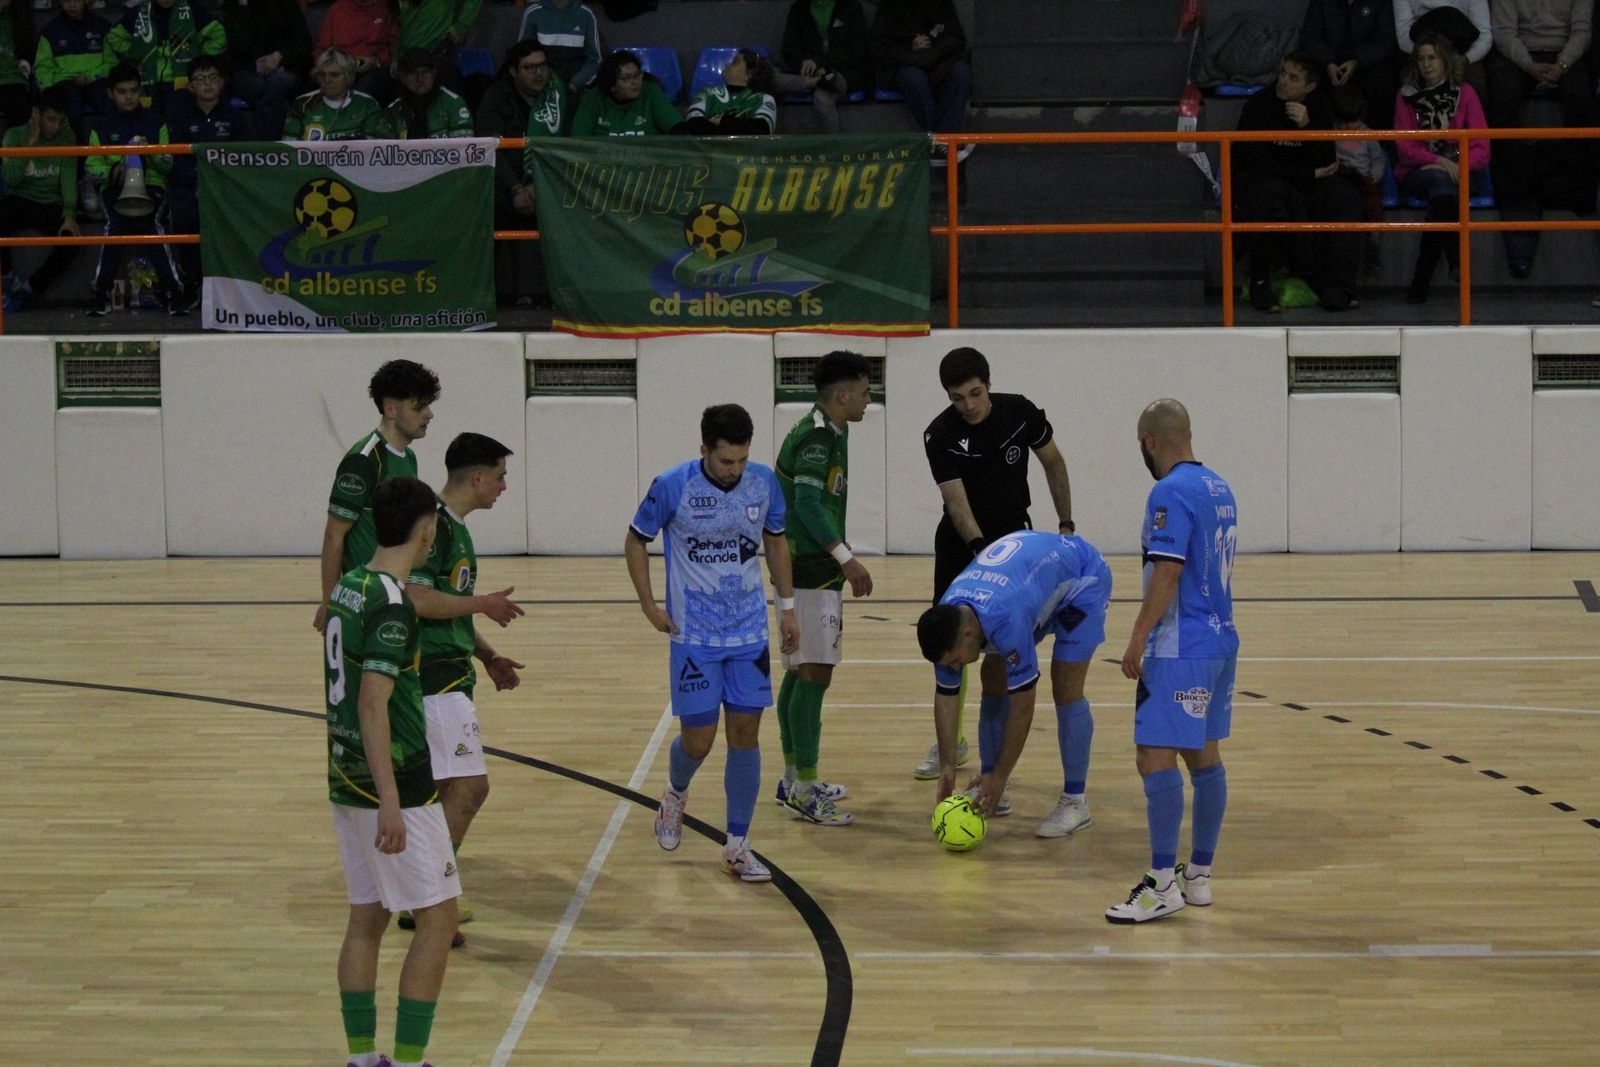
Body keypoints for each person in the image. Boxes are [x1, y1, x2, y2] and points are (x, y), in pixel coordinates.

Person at [912, 348, 1085, 835]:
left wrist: (1066, 524)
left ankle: (993, 774)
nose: (968, 405)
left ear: (988, 384)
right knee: (949, 645)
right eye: (957, 397)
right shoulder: (940, 434)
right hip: (963, 547)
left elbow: (1053, 463)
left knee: (996, 661)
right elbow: (956, 502)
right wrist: (980, 554)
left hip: (1016, 543)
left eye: (975, 393)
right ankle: (951, 751)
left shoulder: (1020, 412)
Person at [625, 404, 800, 883]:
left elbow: (777, 541)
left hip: (748, 635)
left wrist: (787, 608)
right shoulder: (672, 485)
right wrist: (648, 604)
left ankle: (737, 846)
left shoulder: (763, 484)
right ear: (704, 450)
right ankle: (675, 793)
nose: (735, 471)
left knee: (745, 736)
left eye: (742, 460)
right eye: (726, 462)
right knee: (699, 742)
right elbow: (635, 540)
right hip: (694, 638)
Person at [323, 475, 459, 1067]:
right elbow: (372, 700)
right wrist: (390, 800)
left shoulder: (346, 588)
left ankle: (361, 1058)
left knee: (367, 916)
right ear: (426, 530)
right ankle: (407, 1061)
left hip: (343, 773)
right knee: (437, 918)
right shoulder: (392, 601)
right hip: (395, 781)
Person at [1108, 398, 1238, 925]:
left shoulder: (1168, 491)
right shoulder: (1219, 487)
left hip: (1179, 646)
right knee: (1204, 758)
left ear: (1149, 442)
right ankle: (1198, 877)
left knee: (1153, 755)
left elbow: (1168, 571)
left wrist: (1137, 638)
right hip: (1219, 642)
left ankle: (1161, 884)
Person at [398, 432, 525, 946]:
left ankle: (424, 899)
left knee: (447, 790)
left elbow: (446, 603)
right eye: (499, 475)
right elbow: (417, 597)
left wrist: (489, 655)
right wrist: (482, 605)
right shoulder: (434, 528)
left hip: (452, 673)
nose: (503, 486)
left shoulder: (455, 529)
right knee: (469, 788)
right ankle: (429, 901)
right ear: (476, 478)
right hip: (432, 677)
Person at [915, 529, 1112, 837]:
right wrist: (948, 766)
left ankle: (1075, 802)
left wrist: (1002, 775)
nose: (954, 668)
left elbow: (1023, 705)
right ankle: (992, 789)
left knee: (1065, 687)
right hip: (1030, 583)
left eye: (954, 660)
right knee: (992, 676)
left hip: (1082, 580)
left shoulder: (1005, 618)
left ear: (968, 635)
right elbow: (946, 694)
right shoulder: (949, 615)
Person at [773, 350, 874, 826]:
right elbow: (809, 506)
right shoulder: (817, 437)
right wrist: (846, 558)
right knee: (814, 672)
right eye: (864, 390)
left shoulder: (832, 428)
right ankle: (806, 790)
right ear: (842, 393)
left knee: (799, 671)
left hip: (806, 565)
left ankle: (793, 777)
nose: (868, 399)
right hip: (811, 567)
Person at [314, 358, 442, 635]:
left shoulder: (408, 457)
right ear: (391, 409)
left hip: (392, 594)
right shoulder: (364, 460)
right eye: (419, 406)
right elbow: (334, 534)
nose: (429, 414)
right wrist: (330, 601)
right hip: (365, 599)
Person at [1234, 51, 1365, 313]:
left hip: (1305, 182)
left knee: (1344, 197)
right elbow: (1255, 162)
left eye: (1293, 78)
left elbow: (1326, 161)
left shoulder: (1318, 107)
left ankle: (1337, 288)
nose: (1283, 81)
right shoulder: (1258, 106)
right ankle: (1261, 283)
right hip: (1266, 181)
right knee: (1269, 196)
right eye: (1283, 73)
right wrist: (1307, 175)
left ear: (1310, 86)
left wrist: (1307, 129)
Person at [1486, 0, 1593, 278]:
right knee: (1501, 96)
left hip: (1565, 54)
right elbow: (1505, 32)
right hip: (1520, 54)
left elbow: (1582, 30)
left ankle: (1573, 183)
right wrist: (1530, 66)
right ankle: (1512, 181)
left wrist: (1563, 64)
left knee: (1583, 99)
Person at [1394, 31, 1489, 303]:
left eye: (1432, 58)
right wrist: (1440, 161)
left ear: (1445, 60)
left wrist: (1459, 164)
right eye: (1421, 59)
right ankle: (1456, 260)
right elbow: (1405, 148)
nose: (1427, 64)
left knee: (1442, 196)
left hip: (1463, 169)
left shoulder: (1466, 94)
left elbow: (1481, 144)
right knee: (1440, 181)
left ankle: (1419, 284)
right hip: (1418, 171)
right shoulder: (1406, 97)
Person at [85, 63, 184, 318]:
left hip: (151, 185)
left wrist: (149, 153)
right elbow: (91, 167)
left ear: (140, 91)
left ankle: (173, 292)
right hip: (115, 188)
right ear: (111, 93)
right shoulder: (100, 127)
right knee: (116, 227)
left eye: (133, 90)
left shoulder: (156, 122)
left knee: (150, 222)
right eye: (122, 91)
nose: (128, 96)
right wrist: (112, 172)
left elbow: (169, 164)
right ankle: (101, 294)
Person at [163, 53, 249, 310]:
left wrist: (216, 186)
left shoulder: (236, 117)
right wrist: (199, 184)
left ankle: (234, 284)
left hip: (227, 187)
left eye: (213, 77)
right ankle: (192, 282)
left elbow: (244, 156)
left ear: (222, 82)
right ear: (190, 86)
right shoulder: (179, 117)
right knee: (182, 213)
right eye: (200, 79)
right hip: (192, 188)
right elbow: (177, 160)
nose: (208, 83)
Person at [476, 40, 553, 305]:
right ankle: (501, 297)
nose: (539, 74)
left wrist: (538, 185)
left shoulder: (559, 96)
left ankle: (553, 295)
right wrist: (517, 188)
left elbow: (568, 145)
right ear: (513, 71)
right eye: (530, 68)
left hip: (550, 181)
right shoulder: (495, 97)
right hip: (506, 183)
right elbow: (490, 148)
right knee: (492, 203)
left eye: (542, 66)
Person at [0, 89, 80, 313]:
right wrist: (32, 142)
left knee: (72, 241)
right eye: (50, 119)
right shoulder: (14, 136)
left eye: (60, 121)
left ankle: (29, 288)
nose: (55, 127)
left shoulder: (67, 137)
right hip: (20, 198)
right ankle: (6, 277)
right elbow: (11, 180)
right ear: (37, 115)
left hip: (50, 204)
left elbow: (68, 177)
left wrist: (69, 214)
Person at [870, 0, 972, 163]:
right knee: (914, 79)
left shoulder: (942, 4)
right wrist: (910, 47)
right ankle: (938, 139)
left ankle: (942, 141)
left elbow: (957, 38)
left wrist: (933, 49)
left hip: (939, 60)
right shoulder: (889, 7)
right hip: (906, 63)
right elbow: (880, 48)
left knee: (961, 73)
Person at [106, 0, 228, 111]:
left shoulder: (193, 11)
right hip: (147, 82)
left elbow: (219, 36)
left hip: (183, 82)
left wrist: (197, 53)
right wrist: (138, 51)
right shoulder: (138, 14)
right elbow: (114, 37)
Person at [1299, 0, 1400, 131]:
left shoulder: (1381, 3)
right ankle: (1320, 140)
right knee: (1309, 80)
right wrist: (1328, 62)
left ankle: (1377, 144)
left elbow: (1386, 40)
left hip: (1367, 65)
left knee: (1384, 82)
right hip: (1328, 65)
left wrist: (1358, 61)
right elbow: (1310, 36)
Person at [219, 0, 313, 139]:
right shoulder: (230, 9)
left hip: (286, 67)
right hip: (246, 71)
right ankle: (275, 145)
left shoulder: (285, 4)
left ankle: (266, 148)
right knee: (270, 91)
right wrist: (243, 7)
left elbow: (304, 44)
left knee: (276, 84)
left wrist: (279, 56)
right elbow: (236, 49)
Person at [777, 0, 870, 134]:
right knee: (770, 77)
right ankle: (816, 80)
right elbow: (789, 50)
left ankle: (833, 151)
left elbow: (857, 51)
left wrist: (821, 63)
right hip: (808, 73)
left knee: (823, 97)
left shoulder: (850, 7)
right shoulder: (799, 9)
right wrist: (804, 62)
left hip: (845, 70)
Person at [1331, 83, 1388, 276]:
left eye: (1352, 122)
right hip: (1340, 180)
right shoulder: (1330, 134)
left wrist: (1375, 175)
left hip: (1363, 180)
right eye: (1343, 123)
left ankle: (1373, 239)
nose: (1347, 128)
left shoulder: (1368, 135)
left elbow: (1379, 158)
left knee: (1373, 201)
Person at [33, 0, 113, 134]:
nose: (71, 5)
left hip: (96, 79)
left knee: (110, 107)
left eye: (76, 0)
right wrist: (48, 92)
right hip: (64, 81)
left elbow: (111, 63)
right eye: (66, 0)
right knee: (70, 111)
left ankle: (113, 150)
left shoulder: (102, 26)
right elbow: (43, 67)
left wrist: (90, 76)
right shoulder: (50, 31)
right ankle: (76, 152)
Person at [284, 46, 394, 140]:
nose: (327, 80)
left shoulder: (367, 105)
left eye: (334, 75)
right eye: (322, 75)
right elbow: (288, 148)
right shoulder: (302, 104)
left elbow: (381, 148)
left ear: (349, 77)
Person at [570, 49, 681, 137]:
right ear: (611, 84)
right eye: (626, 78)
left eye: (637, 75)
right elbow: (579, 142)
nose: (635, 82)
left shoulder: (651, 92)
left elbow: (678, 129)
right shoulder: (592, 99)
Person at [1395, 0, 1493, 98]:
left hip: (1462, 53)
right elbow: (1404, 37)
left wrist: (1465, 58)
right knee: (1408, 84)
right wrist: (1429, 56)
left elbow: (1484, 36)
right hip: (1420, 50)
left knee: (1474, 83)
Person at [313, 0, 398, 104]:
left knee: (365, 87)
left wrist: (376, 61)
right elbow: (322, 48)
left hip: (374, 68)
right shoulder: (337, 9)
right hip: (340, 66)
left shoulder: (386, 8)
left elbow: (394, 46)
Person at [676, 48, 777, 135]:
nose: (727, 64)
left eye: (735, 62)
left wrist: (721, 121)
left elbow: (762, 129)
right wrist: (736, 126)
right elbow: (692, 125)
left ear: (750, 74)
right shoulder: (706, 93)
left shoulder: (763, 99)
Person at [515, 0, 600, 94]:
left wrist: (575, 83)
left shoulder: (586, 14)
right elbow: (522, 56)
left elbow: (594, 60)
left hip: (575, 88)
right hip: (541, 86)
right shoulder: (533, 13)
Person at [388, 46, 472, 138]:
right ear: (402, 77)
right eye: (413, 73)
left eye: (425, 72)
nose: (420, 79)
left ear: (434, 74)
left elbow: (465, 149)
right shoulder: (393, 112)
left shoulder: (453, 104)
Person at [395, 0, 481, 85]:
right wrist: (396, 56)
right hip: (406, 57)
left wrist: (461, 26)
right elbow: (400, 20)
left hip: (436, 51)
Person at [0, 0, 37, 133]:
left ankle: (13, 152)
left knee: (19, 106)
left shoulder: (21, 16)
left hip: (12, 77)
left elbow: (28, 51)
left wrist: (25, 62)